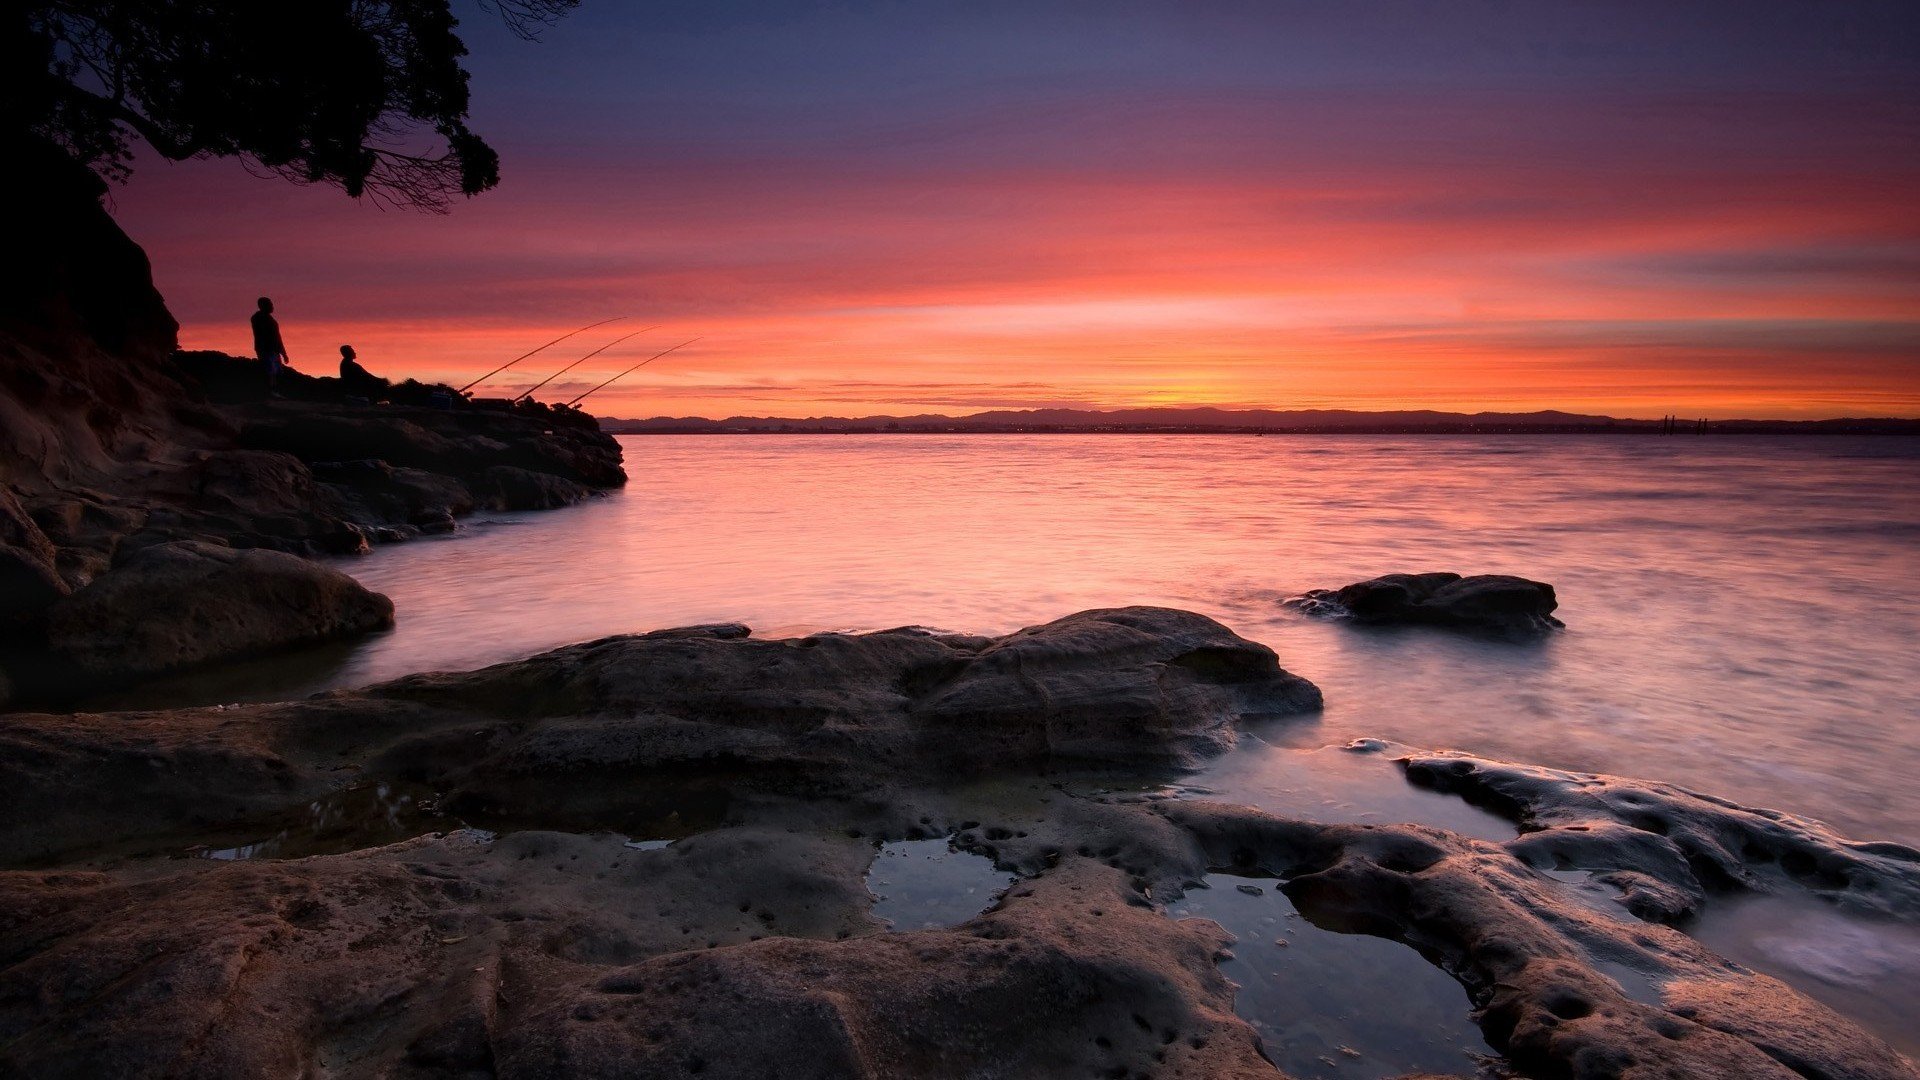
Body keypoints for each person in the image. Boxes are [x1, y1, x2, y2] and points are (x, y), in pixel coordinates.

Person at [250, 297, 289, 395]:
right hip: (266, 349)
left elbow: (277, 337)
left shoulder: (271, 320)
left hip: (273, 349)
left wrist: (283, 353)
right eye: (270, 304)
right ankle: (269, 392)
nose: (272, 306)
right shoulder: (258, 318)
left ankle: (275, 392)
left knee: (276, 372)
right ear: (263, 306)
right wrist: (282, 352)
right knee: (270, 371)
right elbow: (270, 335)